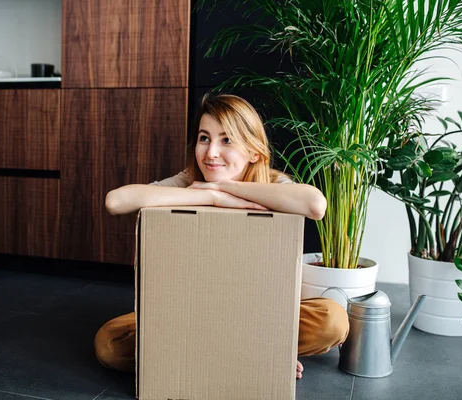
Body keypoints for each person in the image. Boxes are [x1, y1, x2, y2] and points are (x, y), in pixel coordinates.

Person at [96, 94, 349, 379]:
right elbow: (115, 201)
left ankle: (241, 349)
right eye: (204, 138)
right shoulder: (190, 180)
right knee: (109, 344)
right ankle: (233, 353)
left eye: (226, 140)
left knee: (333, 321)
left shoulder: (272, 183)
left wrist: (225, 189)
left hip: (261, 316)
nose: (211, 152)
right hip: (192, 315)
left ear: (254, 151)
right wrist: (212, 197)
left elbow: (315, 205)